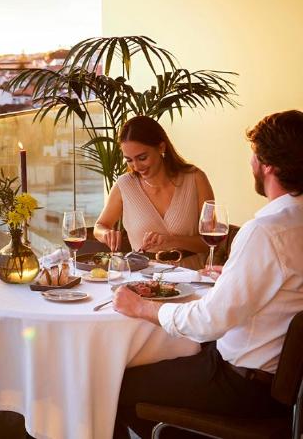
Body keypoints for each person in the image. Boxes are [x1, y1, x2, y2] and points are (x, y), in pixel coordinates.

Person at [111, 110, 303, 438]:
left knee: (114, 385)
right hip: (280, 385)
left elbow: (208, 322)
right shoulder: (292, 222)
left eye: (254, 156)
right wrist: (231, 275)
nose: (251, 164)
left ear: (268, 166)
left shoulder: (265, 232)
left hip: (243, 383)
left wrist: (142, 308)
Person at [94, 115, 214, 267]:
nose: (136, 166)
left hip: (192, 278)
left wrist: (173, 240)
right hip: (142, 280)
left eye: (142, 157)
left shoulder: (195, 179)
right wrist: (106, 234)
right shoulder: (124, 185)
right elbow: (99, 226)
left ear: (161, 147)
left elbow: (210, 242)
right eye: (129, 160)